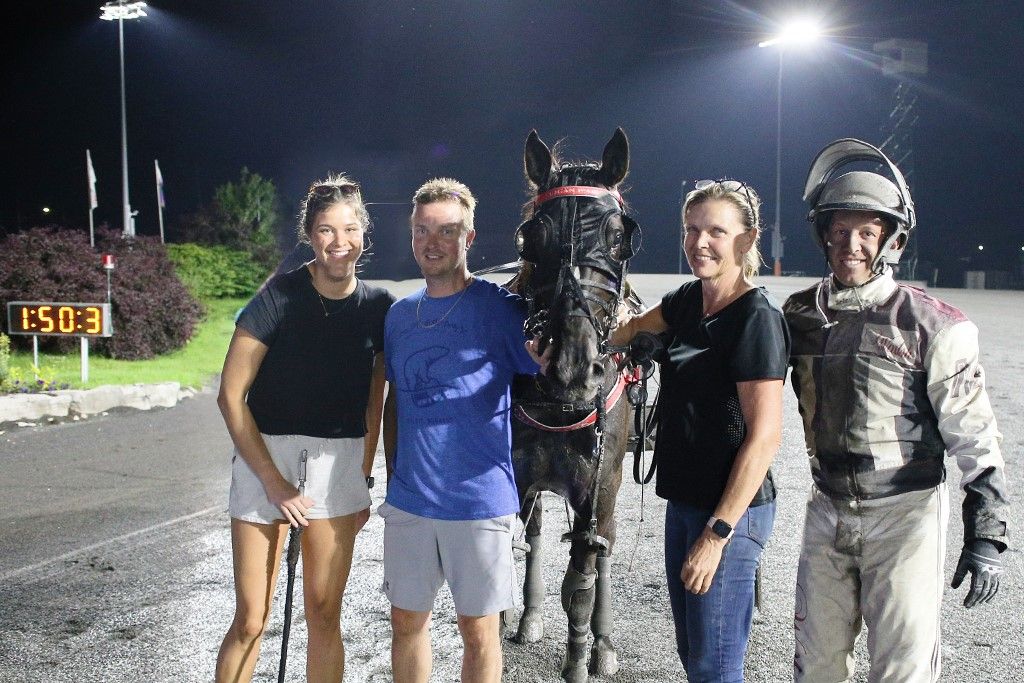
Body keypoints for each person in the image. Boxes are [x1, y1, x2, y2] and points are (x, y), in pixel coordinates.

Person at [785, 138, 1010, 682]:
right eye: (839, 231)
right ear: (823, 235)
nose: (851, 245)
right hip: (827, 509)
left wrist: (986, 535)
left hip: (904, 517)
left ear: (892, 240)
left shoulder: (937, 325)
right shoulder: (798, 315)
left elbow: (974, 434)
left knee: (902, 671)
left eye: (866, 232)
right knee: (814, 667)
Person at [607, 179, 790, 681]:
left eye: (716, 231)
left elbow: (765, 437)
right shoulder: (688, 300)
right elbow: (623, 333)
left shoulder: (755, 317)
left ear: (747, 241)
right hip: (685, 500)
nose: (699, 242)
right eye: (692, 229)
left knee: (715, 664)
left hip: (729, 513)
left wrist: (716, 536)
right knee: (693, 652)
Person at [215, 175, 395, 683]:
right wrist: (273, 482)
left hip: (338, 462)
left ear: (364, 232)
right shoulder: (278, 297)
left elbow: (374, 400)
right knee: (251, 617)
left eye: (349, 228)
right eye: (325, 230)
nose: (340, 242)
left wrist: (362, 477)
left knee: (323, 615)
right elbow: (231, 396)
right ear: (309, 235)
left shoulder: (379, 307)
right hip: (264, 457)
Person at [380, 178, 539, 683]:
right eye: (422, 230)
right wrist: (391, 474)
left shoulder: (501, 309)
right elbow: (392, 404)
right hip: (411, 503)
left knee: (478, 632)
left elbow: (555, 362)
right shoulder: (399, 316)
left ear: (469, 238)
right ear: (411, 236)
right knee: (406, 623)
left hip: (479, 503)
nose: (433, 241)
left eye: (448, 231)